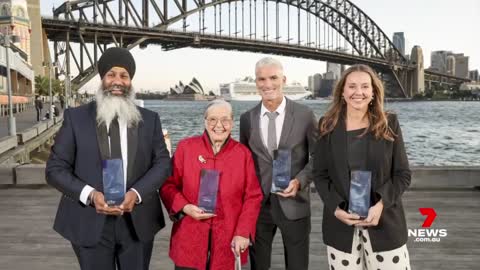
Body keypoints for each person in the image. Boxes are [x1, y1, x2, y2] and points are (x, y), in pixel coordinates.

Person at [46, 47, 171, 270]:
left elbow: (162, 163)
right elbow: (55, 169)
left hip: (137, 223)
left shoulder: (150, 120)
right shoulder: (76, 118)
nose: (117, 81)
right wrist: (91, 195)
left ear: (130, 81)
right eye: (111, 74)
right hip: (89, 220)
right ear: (102, 78)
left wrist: (136, 193)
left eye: (124, 76)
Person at [313, 64, 411, 269]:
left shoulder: (389, 123)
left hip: (385, 224)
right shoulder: (326, 125)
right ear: (342, 92)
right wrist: (336, 208)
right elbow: (320, 175)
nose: (359, 92)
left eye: (365, 86)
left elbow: (402, 174)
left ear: (374, 92)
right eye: (352, 86)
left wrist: (381, 204)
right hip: (341, 227)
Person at [160, 99, 263, 270]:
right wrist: (185, 207)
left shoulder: (242, 154)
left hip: (229, 238)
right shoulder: (186, 148)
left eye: (225, 120)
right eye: (213, 119)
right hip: (189, 236)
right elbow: (167, 185)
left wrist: (243, 232)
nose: (219, 125)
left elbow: (253, 196)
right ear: (205, 122)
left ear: (232, 122)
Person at [239, 57, 317, 270]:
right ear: (256, 82)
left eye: (273, 78)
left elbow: (320, 157)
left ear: (284, 79)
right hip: (259, 205)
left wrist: (300, 181)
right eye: (261, 79)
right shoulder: (247, 119)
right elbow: (245, 162)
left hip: (295, 203)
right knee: (259, 265)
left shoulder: (305, 115)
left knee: (297, 265)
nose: (267, 84)